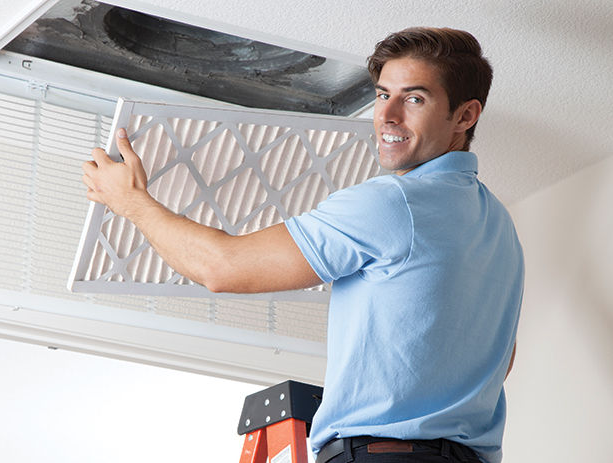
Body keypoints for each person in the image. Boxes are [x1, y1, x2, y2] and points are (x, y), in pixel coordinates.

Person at [82, 27, 523, 463]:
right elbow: (498, 362)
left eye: (414, 99)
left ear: (465, 116)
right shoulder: (500, 227)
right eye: (382, 94)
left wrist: (131, 202)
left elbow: (222, 268)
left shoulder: (392, 203)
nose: (387, 115)